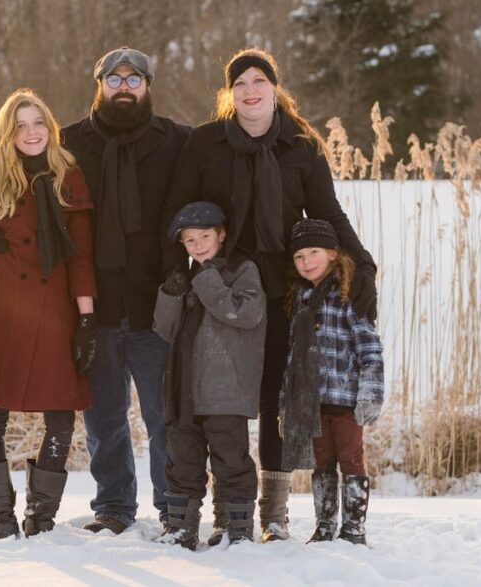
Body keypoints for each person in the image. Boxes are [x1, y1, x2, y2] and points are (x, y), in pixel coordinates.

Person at [162, 48, 378, 542]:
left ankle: (274, 514)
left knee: (276, 400)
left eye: (259, 80)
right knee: (222, 399)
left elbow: (328, 213)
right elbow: (176, 214)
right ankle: (224, 507)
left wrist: (361, 260)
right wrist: (178, 276)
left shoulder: (301, 146)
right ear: (229, 93)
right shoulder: (205, 143)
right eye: (240, 82)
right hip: (226, 290)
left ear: (275, 88)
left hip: (283, 292)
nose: (250, 90)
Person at [0, 47, 190, 534]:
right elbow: (13, 168)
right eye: (113, 79)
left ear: (147, 85)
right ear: (99, 84)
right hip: (90, 307)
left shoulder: (177, 141)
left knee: (166, 418)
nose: (123, 88)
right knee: (103, 420)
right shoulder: (69, 143)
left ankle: (175, 507)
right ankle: (114, 508)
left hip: (156, 304)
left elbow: (204, 202)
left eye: (133, 79)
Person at [0, 88, 97, 539]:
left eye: (38, 123)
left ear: (50, 128)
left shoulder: (67, 177)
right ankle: (0, 518)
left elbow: (81, 257)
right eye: (21, 125)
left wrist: (86, 319)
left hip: (54, 306)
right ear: (7, 133)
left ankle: (41, 518)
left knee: (61, 412)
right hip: (2, 306)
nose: (31, 133)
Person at [152, 202, 266, 550]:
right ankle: (180, 528)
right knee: (182, 461)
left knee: (230, 459)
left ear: (222, 234)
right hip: (184, 390)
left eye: (205, 236)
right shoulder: (188, 277)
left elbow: (245, 314)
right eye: (190, 240)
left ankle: (237, 529)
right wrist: (171, 293)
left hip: (225, 390)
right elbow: (164, 330)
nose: (198, 245)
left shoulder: (241, 270)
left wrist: (207, 281)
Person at [279, 219, 383, 546]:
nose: (307, 261)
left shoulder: (349, 294)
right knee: (321, 462)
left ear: (333, 254)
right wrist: (287, 403)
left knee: (350, 459)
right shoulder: (299, 300)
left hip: (347, 399)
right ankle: (324, 526)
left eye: (314, 253)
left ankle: (353, 528)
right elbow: (291, 359)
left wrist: (370, 393)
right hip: (312, 402)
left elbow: (369, 346)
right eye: (299, 257)